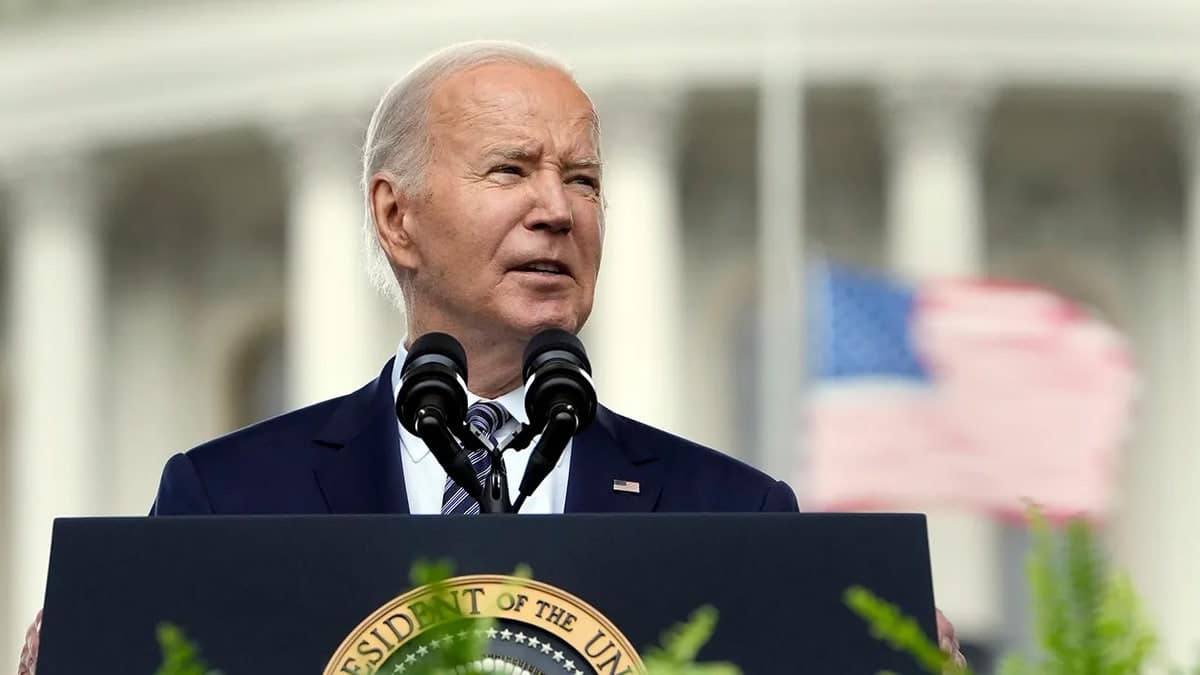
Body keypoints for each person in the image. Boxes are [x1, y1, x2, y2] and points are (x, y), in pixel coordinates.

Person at [17, 41, 963, 672]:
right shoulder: (223, 499)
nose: (556, 207)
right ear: (397, 217)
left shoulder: (740, 513)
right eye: (510, 170)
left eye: (582, 178)